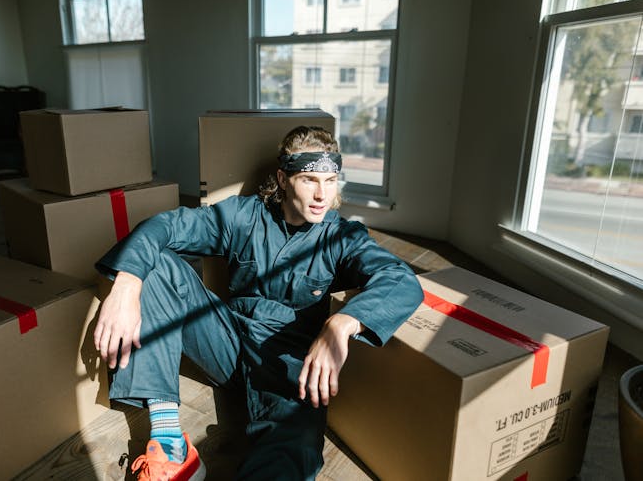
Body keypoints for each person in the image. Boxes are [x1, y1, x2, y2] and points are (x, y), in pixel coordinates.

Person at [93, 125, 424, 481]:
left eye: (331, 181)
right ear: (283, 178)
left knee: (293, 447)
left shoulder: (342, 237)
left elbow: (400, 280)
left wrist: (342, 323)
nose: (321, 194)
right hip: (228, 343)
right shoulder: (244, 215)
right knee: (154, 262)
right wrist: (127, 286)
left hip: (287, 364)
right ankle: (171, 446)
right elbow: (165, 227)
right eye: (309, 179)